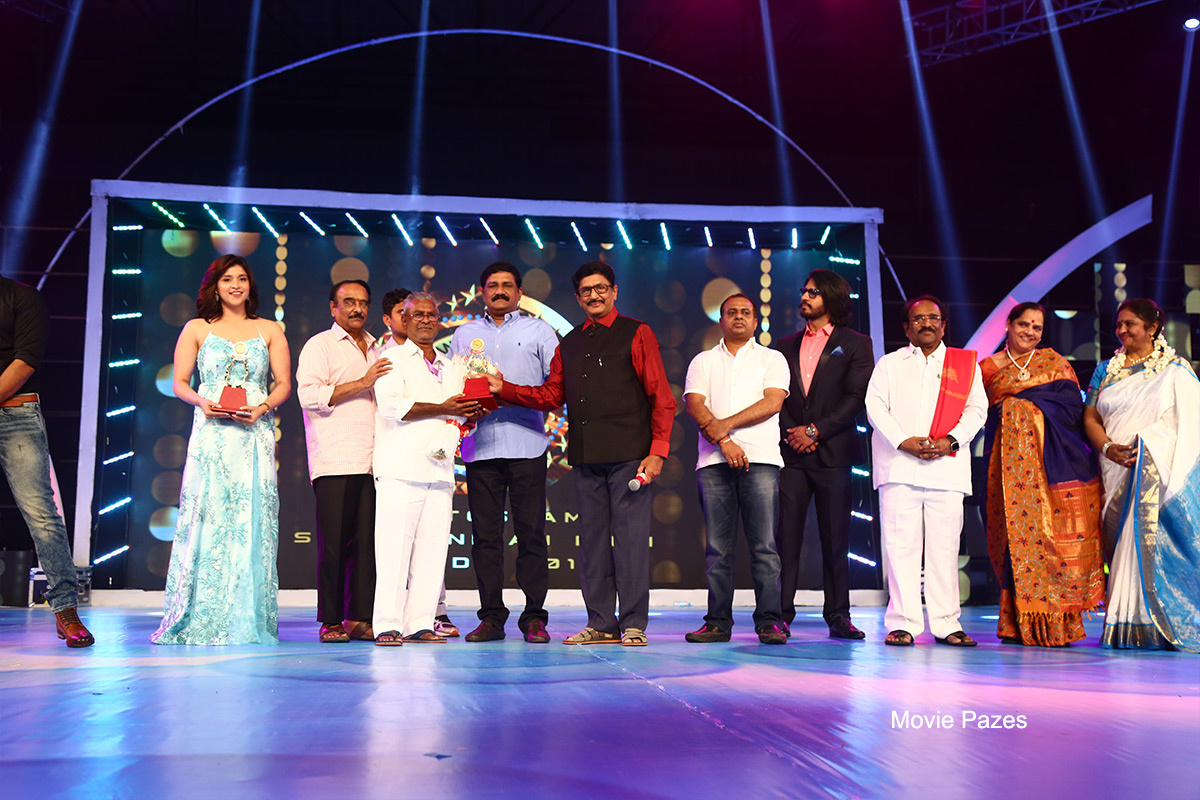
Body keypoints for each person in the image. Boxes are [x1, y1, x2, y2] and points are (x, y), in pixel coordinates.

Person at [487, 262, 675, 647]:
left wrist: (657, 452)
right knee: (591, 545)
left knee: (630, 543)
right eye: (586, 290)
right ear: (577, 298)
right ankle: (601, 624)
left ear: (614, 291)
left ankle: (633, 623)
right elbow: (551, 395)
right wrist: (503, 388)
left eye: (601, 288)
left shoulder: (637, 332)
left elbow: (661, 396)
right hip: (587, 456)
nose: (594, 295)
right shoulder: (569, 342)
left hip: (630, 455)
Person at [152, 254, 291, 645]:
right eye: (228, 279)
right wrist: (202, 401)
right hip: (212, 433)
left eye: (242, 278)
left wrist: (262, 407)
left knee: (250, 518)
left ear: (250, 285)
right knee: (209, 516)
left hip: (253, 433)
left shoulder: (269, 329)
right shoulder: (197, 328)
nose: (235, 285)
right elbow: (180, 382)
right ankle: (199, 614)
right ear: (215, 285)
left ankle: (246, 619)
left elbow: (283, 384)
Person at [864, 295, 987, 647]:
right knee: (900, 549)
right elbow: (875, 407)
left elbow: (977, 409)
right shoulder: (889, 364)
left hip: (946, 469)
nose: (926, 323)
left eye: (933, 318)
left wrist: (951, 441)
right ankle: (903, 623)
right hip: (899, 468)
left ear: (944, 325)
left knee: (944, 551)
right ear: (907, 328)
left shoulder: (964, 365)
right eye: (918, 319)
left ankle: (947, 623)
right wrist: (903, 441)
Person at [980, 302, 1105, 647]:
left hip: (1053, 469)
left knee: (1056, 547)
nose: (1030, 332)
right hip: (1007, 473)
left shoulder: (1056, 364)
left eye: (1037, 327)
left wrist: (1022, 408)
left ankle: (1060, 627)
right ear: (1008, 324)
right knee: (1015, 543)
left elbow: (1072, 411)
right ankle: (1016, 624)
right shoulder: (987, 368)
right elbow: (977, 414)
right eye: (1024, 324)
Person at [449, 262, 559, 644]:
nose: (499, 291)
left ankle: (535, 617)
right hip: (480, 447)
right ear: (482, 292)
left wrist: (507, 389)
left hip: (526, 443)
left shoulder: (540, 331)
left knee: (531, 535)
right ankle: (492, 617)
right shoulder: (464, 334)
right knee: (485, 538)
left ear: (519, 292)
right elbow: (453, 386)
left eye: (507, 285)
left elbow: (554, 390)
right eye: (492, 285)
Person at [1083, 298, 1199, 652]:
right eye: (1119, 324)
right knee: (1121, 545)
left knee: (1147, 538)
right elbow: (1091, 417)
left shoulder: (1176, 370)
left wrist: (1151, 444)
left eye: (1130, 324)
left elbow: (1189, 424)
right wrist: (1107, 448)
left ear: (1152, 328)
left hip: (1154, 470)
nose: (1121, 330)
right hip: (1114, 467)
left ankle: (1156, 623)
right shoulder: (1105, 370)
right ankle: (1126, 622)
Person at [372, 293, 486, 645]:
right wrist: (445, 407)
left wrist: (471, 415)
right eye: (417, 315)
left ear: (438, 321)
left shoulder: (452, 366)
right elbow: (392, 407)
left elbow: (460, 414)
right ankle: (387, 624)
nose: (425, 320)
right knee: (393, 551)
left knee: (433, 553)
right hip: (400, 468)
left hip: (439, 470)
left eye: (431, 315)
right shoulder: (391, 359)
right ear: (403, 321)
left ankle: (420, 623)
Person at [773, 269, 874, 640]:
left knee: (836, 541)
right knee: (786, 540)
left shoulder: (856, 343)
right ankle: (779, 615)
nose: (804, 296)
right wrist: (795, 434)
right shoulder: (784, 345)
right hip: (792, 456)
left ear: (831, 298)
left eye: (813, 292)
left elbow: (856, 397)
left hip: (834, 454)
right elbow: (777, 395)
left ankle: (838, 615)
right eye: (804, 290)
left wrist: (815, 431)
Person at [683, 294, 789, 645]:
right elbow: (695, 405)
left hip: (761, 460)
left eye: (746, 313)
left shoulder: (772, 358)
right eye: (732, 312)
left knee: (765, 548)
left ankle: (770, 622)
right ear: (722, 320)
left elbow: (773, 402)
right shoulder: (703, 361)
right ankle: (717, 623)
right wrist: (725, 442)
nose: (739, 317)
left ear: (756, 322)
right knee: (717, 550)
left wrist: (723, 426)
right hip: (714, 462)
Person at [0, 276, 93, 647]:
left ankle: (65, 609)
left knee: (41, 513)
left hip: (15, 413)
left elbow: (25, 360)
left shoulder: (21, 297)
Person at [298, 279, 389, 643]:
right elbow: (309, 396)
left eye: (363, 303)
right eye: (348, 302)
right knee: (334, 546)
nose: (357, 308)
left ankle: (360, 617)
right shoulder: (320, 345)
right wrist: (363, 381)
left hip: (375, 461)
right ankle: (332, 620)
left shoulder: (378, 346)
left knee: (367, 546)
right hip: (335, 460)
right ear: (333, 308)